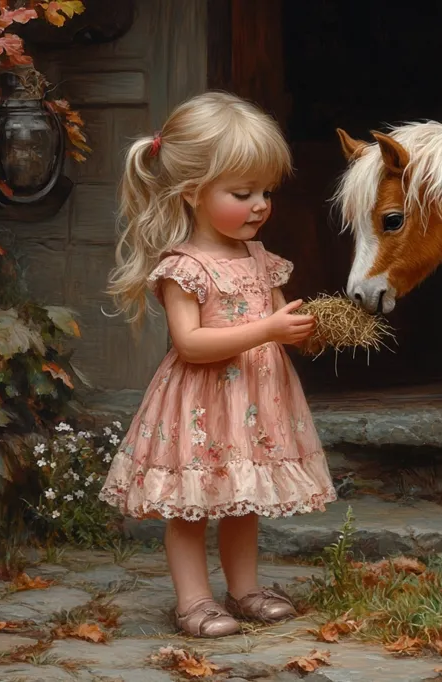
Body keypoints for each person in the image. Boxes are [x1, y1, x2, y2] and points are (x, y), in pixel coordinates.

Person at [99, 91, 336, 638]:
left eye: (266, 192)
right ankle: (194, 601)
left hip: (254, 402)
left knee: (241, 498)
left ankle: (245, 588)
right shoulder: (184, 267)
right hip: (201, 404)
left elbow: (282, 323)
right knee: (190, 507)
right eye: (242, 192)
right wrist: (270, 331)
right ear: (192, 193)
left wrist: (305, 333)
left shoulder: (261, 258)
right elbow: (191, 344)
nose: (260, 205)